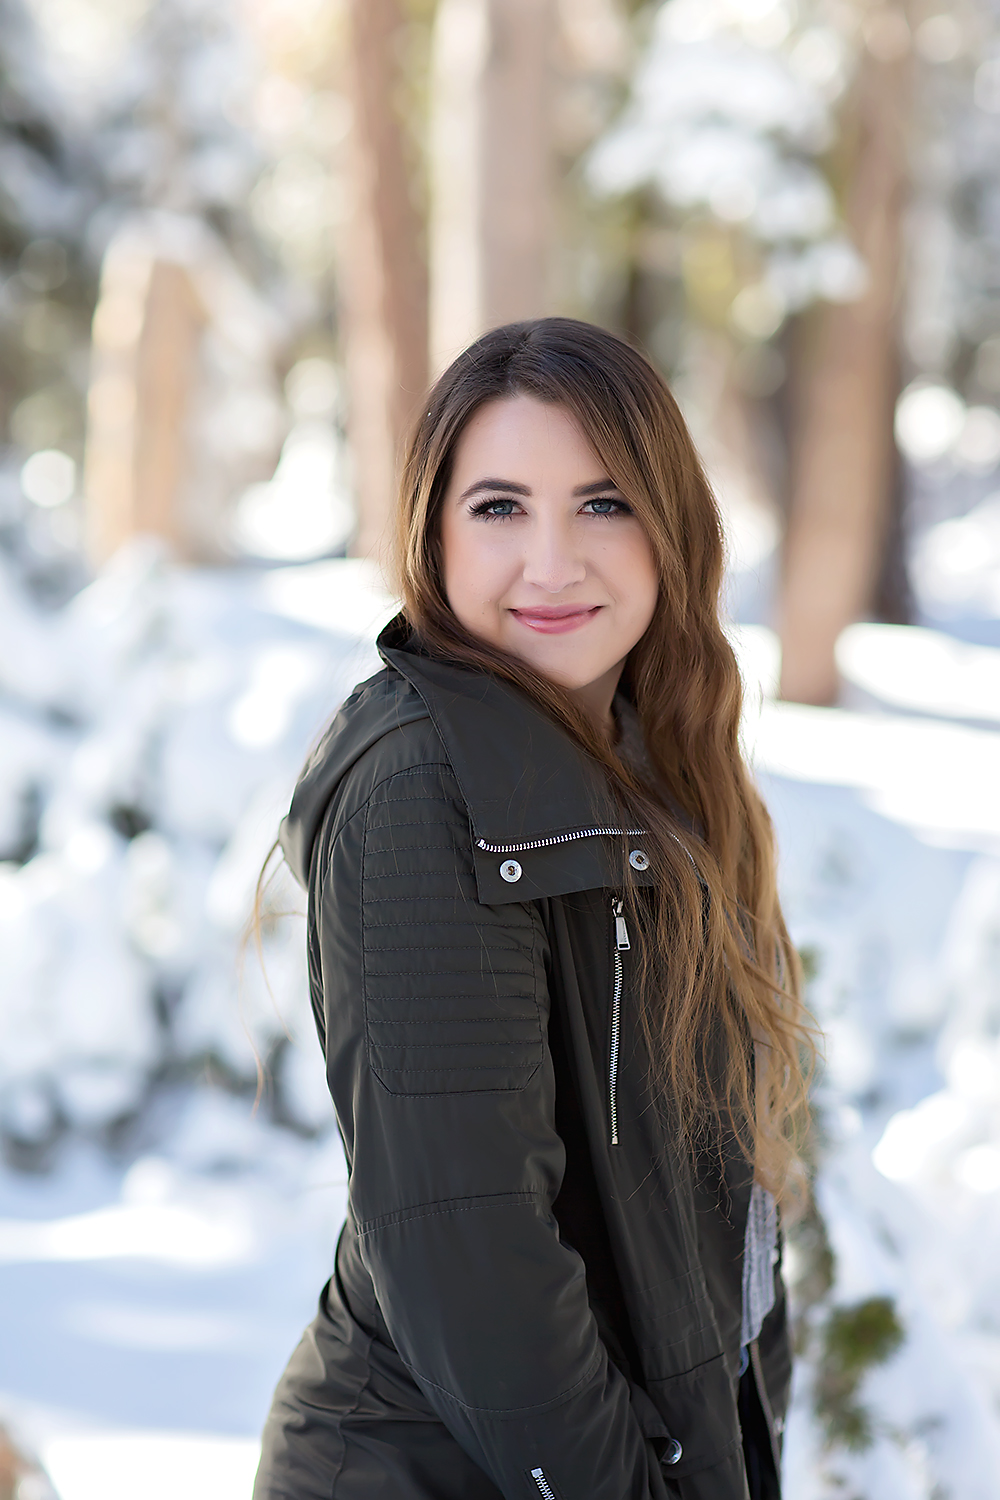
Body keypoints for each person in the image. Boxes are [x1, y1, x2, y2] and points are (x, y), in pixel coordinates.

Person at [253, 318, 813, 1500]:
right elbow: (475, 1253)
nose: (551, 562)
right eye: (499, 507)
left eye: (602, 504)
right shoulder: (421, 788)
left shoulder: (658, 762)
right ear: (433, 535)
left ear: (671, 527)